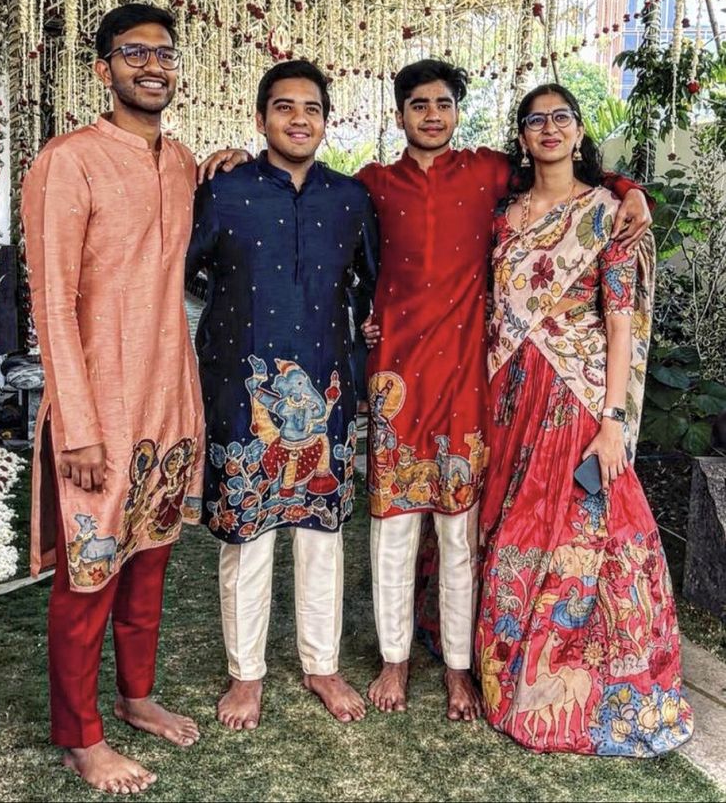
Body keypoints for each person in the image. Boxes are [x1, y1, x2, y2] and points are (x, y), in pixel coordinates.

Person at [198, 58, 651, 722]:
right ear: (398, 113)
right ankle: (392, 660)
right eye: (417, 105)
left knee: (460, 534)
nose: (431, 115)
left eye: (442, 103)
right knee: (390, 532)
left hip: (467, 384)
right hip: (392, 386)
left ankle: (460, 672)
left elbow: (559, 168)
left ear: (457, 112)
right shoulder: (369, 188)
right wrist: (233, 161)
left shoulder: (485, 176)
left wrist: (625, 185)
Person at [474, 83, 693, 755]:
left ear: (577, 132)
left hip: (578, 395)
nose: (547, 129)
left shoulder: (607, 214)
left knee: (583, 522)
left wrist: (611, 419)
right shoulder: (502, 216)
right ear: (520, 136)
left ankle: (581, 674)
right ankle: (498, 658)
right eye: (534, 120)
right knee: (507, 519)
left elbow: (619, 323)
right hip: (508, 393)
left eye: (559, 118)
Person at [22, 3, 204, 795]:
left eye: (163, 52)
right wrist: (80, 430)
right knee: (88, 579)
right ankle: (82, 737)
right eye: (133, 53)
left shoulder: (185, 162)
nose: (151, 65)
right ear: (103, 69)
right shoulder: (69, 161)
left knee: (148, 568)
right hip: (98, 414)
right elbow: (51, 303)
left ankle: (135, 699)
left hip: (170, 403)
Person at [185, 60, 378, 731]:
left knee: (321, 533)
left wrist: (355, 366)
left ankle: (320, 664)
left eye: (312, 108)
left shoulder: (350, 199)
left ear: (327, 120)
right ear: (260, 116)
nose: (299, 119)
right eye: (284, 107)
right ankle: (247, 676)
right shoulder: (224, 189)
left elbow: (371, 291)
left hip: (326, 387)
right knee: (247, 535)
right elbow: (184, 276)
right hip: (243, 391)